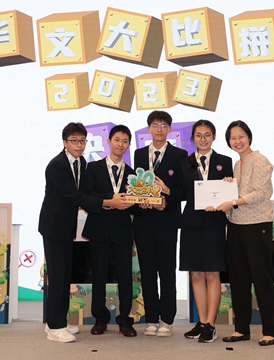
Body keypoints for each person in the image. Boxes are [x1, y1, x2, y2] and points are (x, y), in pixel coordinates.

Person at [38, 122, 128, 343]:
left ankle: (56, 320)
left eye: (82, 141)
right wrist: (109, 202)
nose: (79, 145)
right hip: (53, 226)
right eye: (74, 141)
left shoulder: (81, 162)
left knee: (64, 275)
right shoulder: (57, 165)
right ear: (65, 142)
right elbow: (75, 196)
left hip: (66, 227)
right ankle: (55, 327)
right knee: (58, 276)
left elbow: (84, 193)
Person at [214, 120, 274, 346]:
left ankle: (270, 331)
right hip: (236, 225)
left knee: (261, 279)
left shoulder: (259, 160)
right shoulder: (237, 164)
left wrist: (232, 201)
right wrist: (229, 186)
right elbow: (239, 192)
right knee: (238, 280)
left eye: (241, 136)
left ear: (249, 137)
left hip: (257, 224)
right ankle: (241, 329)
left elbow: (261, 192)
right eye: (233, 138)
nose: (237, 141)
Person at [132, 110, 187, 337]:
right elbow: (136, 187)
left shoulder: (180, 155)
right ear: (148, 129)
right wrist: (141, 202)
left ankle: (167, 320)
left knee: (166, 272)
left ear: (170, 129)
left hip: (167, 221)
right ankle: (152, 319)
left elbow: (184, 191)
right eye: (155, 125)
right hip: (143, 222)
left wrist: (167, 195)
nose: (159, 129)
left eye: (164, 125)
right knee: (147, 272)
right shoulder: (138, 154)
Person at [81, 125, 137, 337]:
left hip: (122, 232)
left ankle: (125, 321)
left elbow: (136, 207)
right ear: (108, 141)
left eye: (125, 141)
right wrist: (110, 200)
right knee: (98, 275)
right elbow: (86, 195)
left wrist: (141, 203)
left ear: (128, 145)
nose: (121, 144)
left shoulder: (133, 175)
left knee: (125, 277)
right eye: (117, 140)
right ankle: (100, 319)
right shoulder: (93, 168)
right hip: (99, 230)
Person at [180, 120, 233, 343]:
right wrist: (164, 189)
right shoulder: (185, 163)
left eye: (207, 134)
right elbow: (181, 192)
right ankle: (201, 322)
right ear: (193, 138)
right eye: (199, 135)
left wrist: (229, 183)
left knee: (212, 274)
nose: (203, 139)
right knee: (196, 274)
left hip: (214, 222)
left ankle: (211, 324)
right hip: (191, 222)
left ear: (214, 137)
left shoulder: (225, 161)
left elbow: (230, 193)